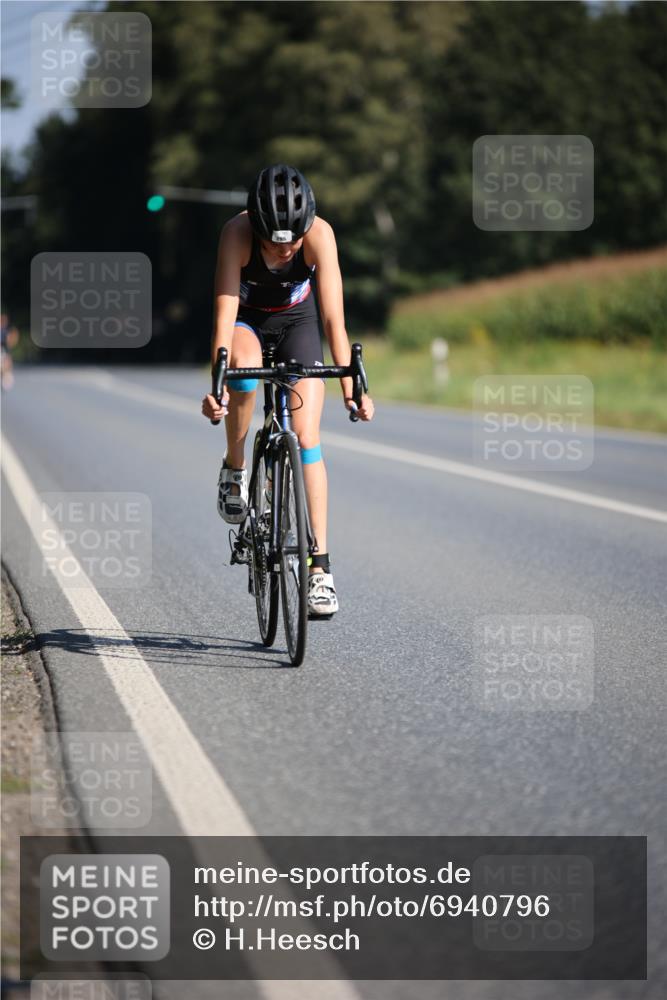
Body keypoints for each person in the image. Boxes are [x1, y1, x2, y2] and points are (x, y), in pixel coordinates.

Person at [201, 164, 374, 616]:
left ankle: (319, 569)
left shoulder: (321, 235)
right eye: (273, 243)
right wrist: (216, 386)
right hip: (247, 320)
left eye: (292, 243)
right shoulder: (235, 234)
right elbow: (223, 319)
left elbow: (335, 319)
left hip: (299, 322)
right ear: (255, 228)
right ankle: (236, 468)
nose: (283, 252)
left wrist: (352, 386)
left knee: (308, 437)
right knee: (245, 368)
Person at [1, 312, 19, 390]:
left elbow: (10, 342)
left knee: (6, 366)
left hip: (4, 351)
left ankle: (6, 381)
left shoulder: (6, 331)